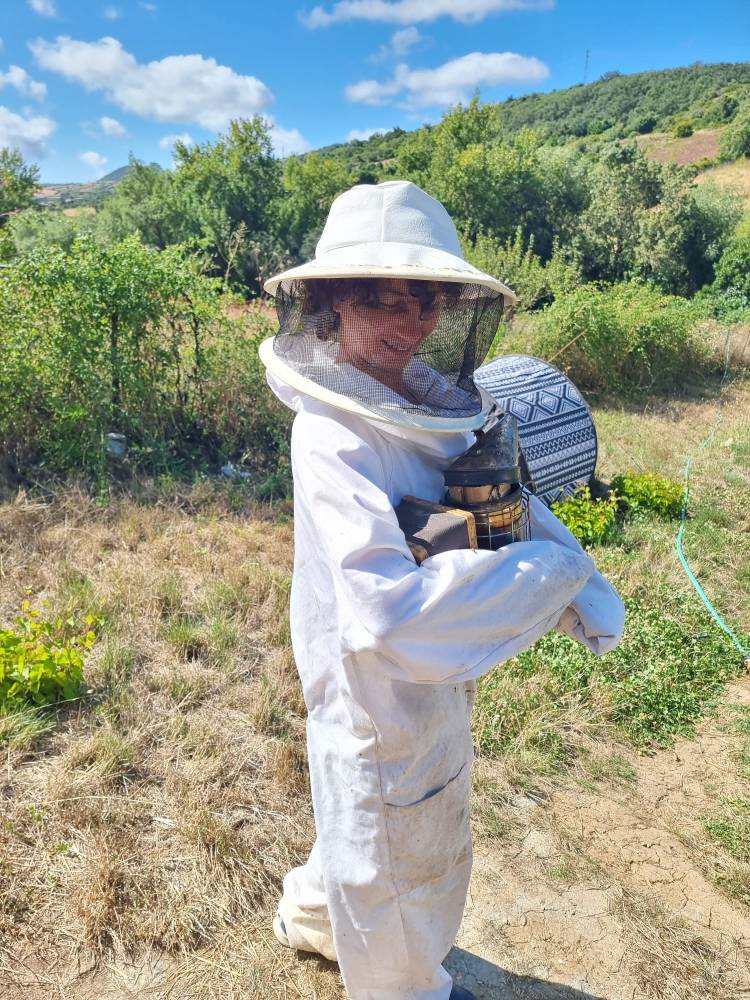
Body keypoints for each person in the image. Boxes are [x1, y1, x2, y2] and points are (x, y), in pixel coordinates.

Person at [259, 180, 624, 1000]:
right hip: (376, 688)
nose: (412, 322)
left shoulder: (424, 398)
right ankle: (402, 985)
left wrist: (581, 585)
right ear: (332, 302)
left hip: (429, 679)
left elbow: (497, 494)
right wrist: (555, 577)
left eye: (426, 300)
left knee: (371, 828)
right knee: (390, 843)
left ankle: (311, 918)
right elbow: (395, 618)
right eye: (382, 300)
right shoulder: (332, 435)